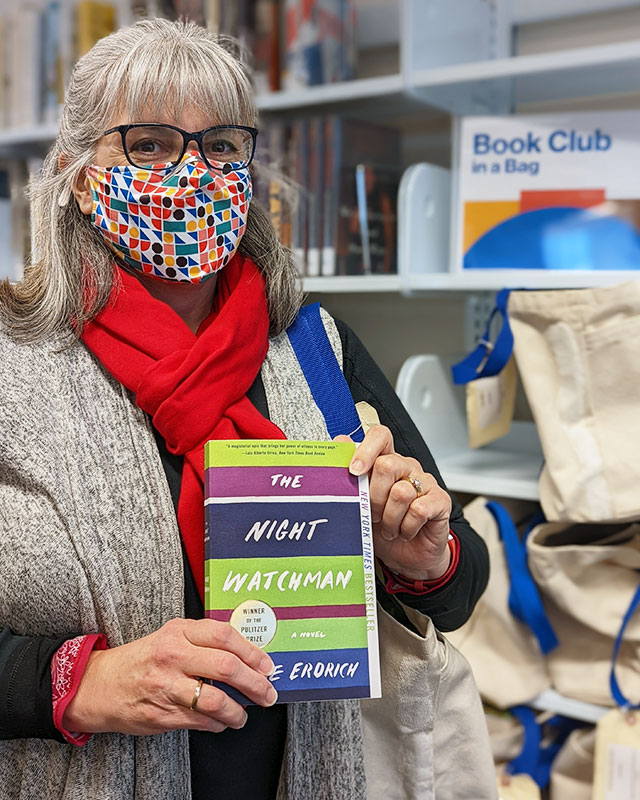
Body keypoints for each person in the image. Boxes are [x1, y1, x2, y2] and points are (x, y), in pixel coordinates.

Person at [0, 18, 489, 800]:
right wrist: (83, 681)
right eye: (149, 144)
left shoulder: (315, 348)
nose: (192, 172)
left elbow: (460, 584)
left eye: (221, 146)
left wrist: (422, 555)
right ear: (77, 172)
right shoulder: (13, 365)